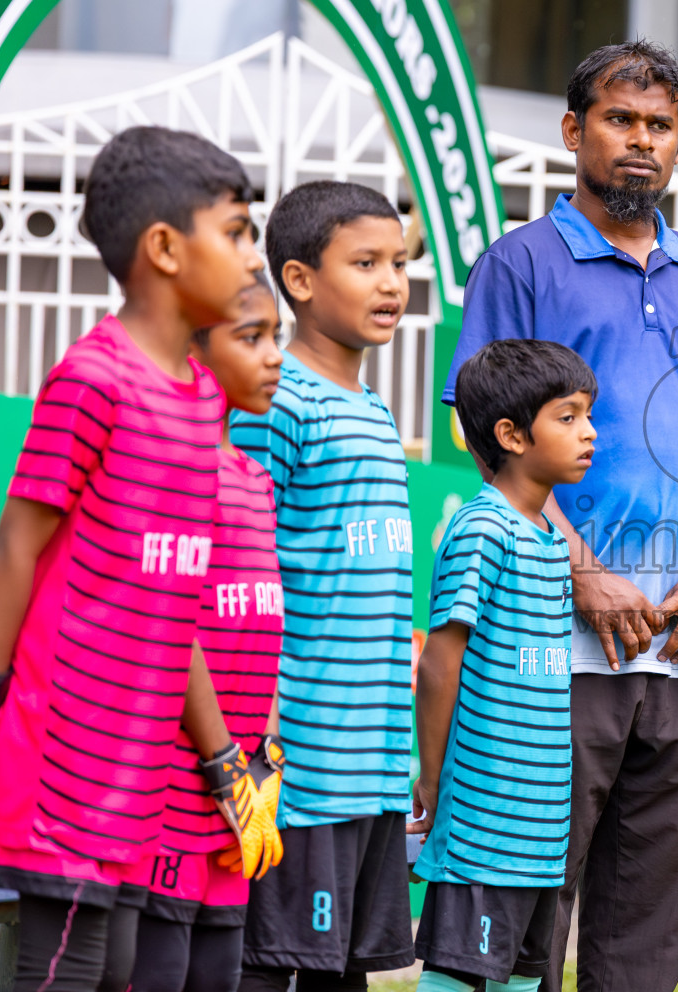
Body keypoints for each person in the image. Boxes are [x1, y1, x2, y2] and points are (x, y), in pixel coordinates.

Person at [440, 41, 678, 992]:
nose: (641, 142)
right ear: (573, 131)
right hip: (556, 637)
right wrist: (581, 567)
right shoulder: (521, 264)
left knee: (656, 912)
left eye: (660, 126)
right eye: (620, 120)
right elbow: (488, 431)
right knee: (536, 896)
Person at [0, 125, 268, 992]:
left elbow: (180, 612)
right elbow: (18, 546)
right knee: (66, 969)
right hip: (66, 746)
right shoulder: (93, 379)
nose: (252, 258)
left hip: (141, 759)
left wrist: (222, 764)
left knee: (115, 969)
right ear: (166, 249)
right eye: (237, 231)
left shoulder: (201, 397)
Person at [231, 181, 417, 988]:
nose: (391, 283)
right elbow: (240, 568)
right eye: (367, 262)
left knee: (343, 974)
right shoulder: (275, 401)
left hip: (371, 764)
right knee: (274, 967)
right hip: (298, 768)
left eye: (400, 264)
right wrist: (259, 742)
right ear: (300, 280)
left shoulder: (373, 406)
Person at [411, 339, 598, 992]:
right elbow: (440, 665)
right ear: (511, 434)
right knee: (459, 977)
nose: (589, 432)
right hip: (484, 825)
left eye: (588, 415)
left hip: (540, 831)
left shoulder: (550, 539)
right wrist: (433, 781)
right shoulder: (482, 530)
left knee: (524, 977)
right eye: (569, 417)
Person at [130, 280, 289, 992]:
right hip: (173, 786)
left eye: (275, 338)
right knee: (156, 972)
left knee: (219, 974)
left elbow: (267, 628)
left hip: (239, 799)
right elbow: (173, 628)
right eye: (251, 339)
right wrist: (224, 763)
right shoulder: (168, 471)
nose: (275, 358)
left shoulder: (256, 480)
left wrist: (267, 760)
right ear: (191, 349)